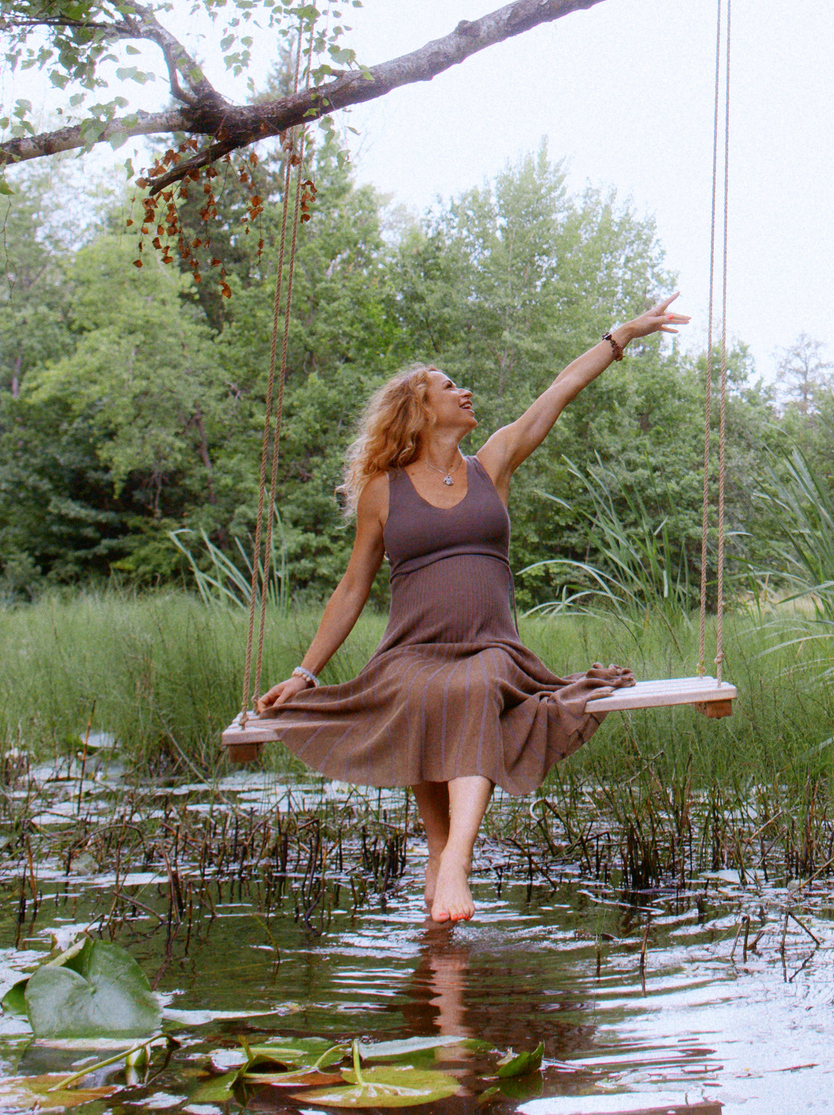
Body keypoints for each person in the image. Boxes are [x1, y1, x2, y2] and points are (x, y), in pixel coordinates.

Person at [248, 297, 690, 924]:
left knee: (475, 686)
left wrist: (623, 335)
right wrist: (305, 673)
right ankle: (439, 863)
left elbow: (558, 391)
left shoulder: (493, 464)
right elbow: (351, 589)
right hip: (411, 652)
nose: (466, 391)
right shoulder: (384, 491)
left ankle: (455, 860)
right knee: (419, 694)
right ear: (418, 410)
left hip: (491, 649)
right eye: (449, 386)